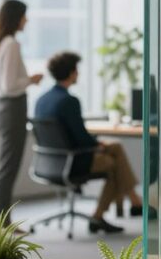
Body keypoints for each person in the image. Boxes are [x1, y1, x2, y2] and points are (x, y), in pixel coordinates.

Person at [34, 52, 143, 234]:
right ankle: (102, 214)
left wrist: (99, 144)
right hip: (73, 161)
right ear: (71, 73)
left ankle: (135, 202)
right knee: (114, 165)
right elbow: (81, 137)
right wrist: (97, 145)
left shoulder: (41, 100)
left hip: (48, 161)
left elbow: (73, 135)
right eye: (77, 70)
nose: (78, 74)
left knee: (115, 147)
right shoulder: (69, 101)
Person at [0, 0, 44, 224]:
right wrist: (31, 79)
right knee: (7, 169)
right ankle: (1, 224)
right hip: (12, 108)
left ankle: (2, 222)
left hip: (4, 109)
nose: (26, 20)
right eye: (24, 16)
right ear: (15, 17)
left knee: (6, 168)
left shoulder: (1, 44)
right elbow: (9, 86)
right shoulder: (11, 44)